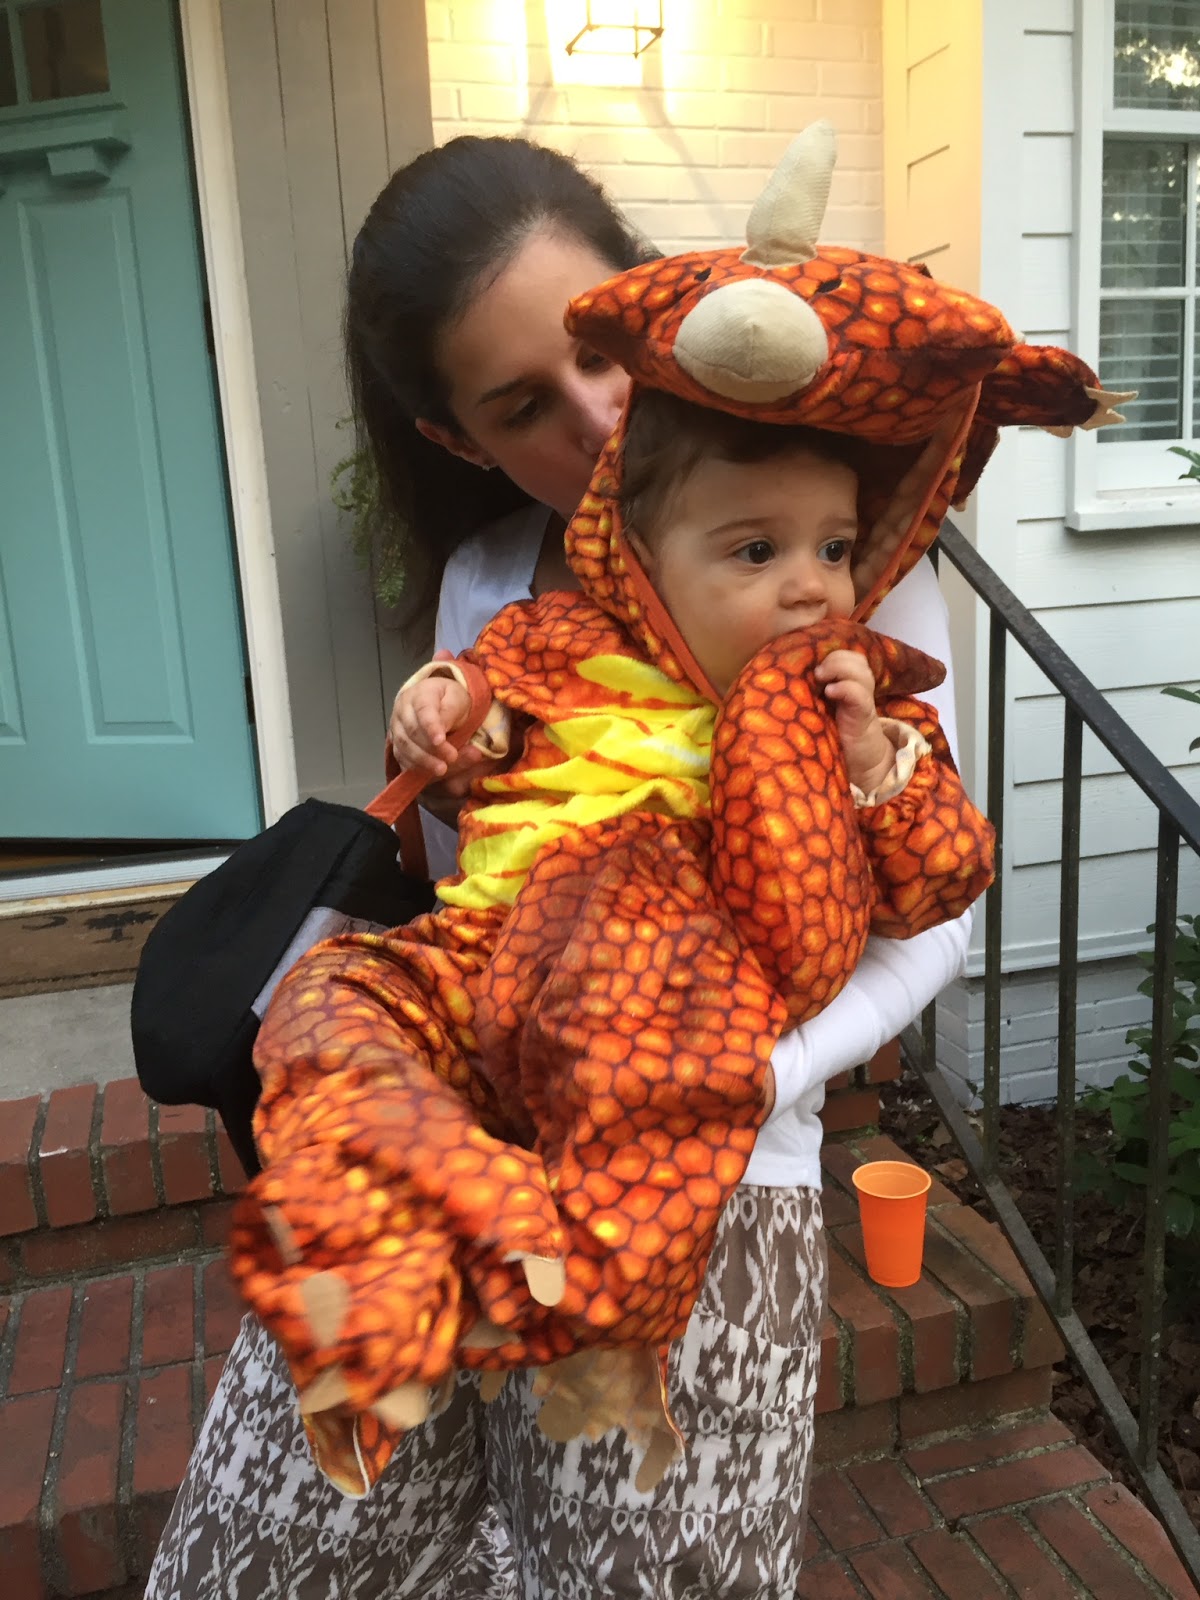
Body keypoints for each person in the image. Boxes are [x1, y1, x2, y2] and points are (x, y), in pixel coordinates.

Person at [146, 133, 978, 1600]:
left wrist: (728, 1075)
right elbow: (473, 872)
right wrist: (455, 737)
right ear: (458, 436)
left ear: (653, 310)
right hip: (458, 1151)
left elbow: (933, 918)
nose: (597, 418)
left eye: (601, 353)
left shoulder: (831, 559)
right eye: (524, 403)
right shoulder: (491, 584)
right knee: (283, 1549)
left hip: (709, 1176)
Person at [231, 383, 994, 1499]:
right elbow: (485, 706)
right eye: (757, 550)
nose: (810, 585)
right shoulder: (563, 639)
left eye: (834, 548)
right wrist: (444, 705)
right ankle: (432, 1217)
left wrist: (875, 765)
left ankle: (558, 1282)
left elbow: (943, 880)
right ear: (638, 564)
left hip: (646, 994)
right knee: (323, 1002)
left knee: (648, 1117)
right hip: (475, 953)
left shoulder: (859, 706)